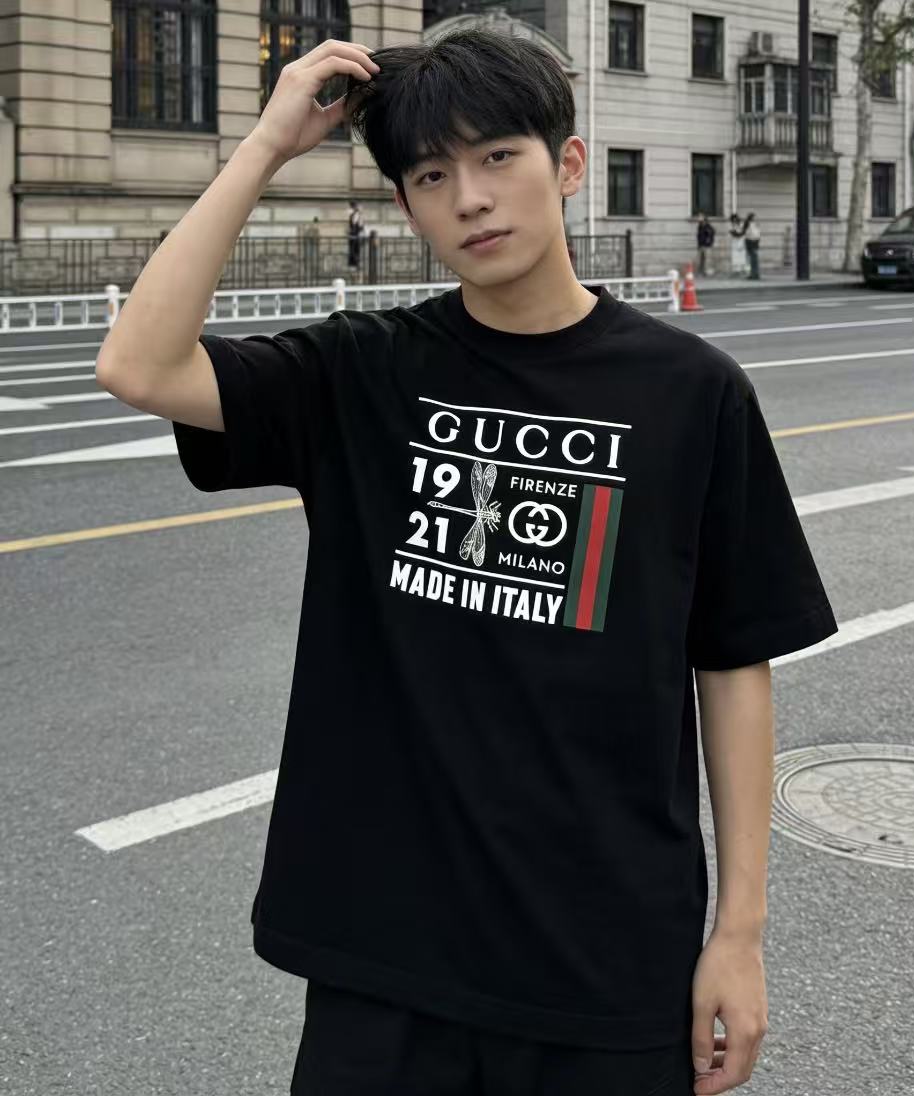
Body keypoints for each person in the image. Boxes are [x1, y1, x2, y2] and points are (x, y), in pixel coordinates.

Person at [95, 27, 838, 1096]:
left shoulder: (691, 392)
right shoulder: (363, 373)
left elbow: (731, 662)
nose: (471, 199)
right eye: (432, 176)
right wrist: (264, 145)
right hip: (386, 956)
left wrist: (740, 933)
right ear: (407, 208)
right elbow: (139, 363)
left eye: (498, 156)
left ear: (567, 164)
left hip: (608, 958)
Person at [728, 212, 747, 277]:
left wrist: (740, 233)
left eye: (735, 219)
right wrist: (739, 233)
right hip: (735, 243)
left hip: (742, 242)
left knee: (742, 256)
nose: (735, 221)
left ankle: (743, 269)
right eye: (733, 220)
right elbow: (734, 233)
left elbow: (744, 232)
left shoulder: (741, 224)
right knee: (735, 256)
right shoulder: (731, 226)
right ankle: (736, 270)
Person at [743, 212, 761, 280]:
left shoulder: (755, 224)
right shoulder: (749, 224)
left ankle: (755, 274)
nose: (756, 218)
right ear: (751, 218)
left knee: (754, 260)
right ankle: (752, 274)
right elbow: (749, 234)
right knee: (752, 260)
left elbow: (758, 234)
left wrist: (757, 241)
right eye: (754, 217)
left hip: (754, 242)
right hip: (751, 242)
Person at [347, 199, 363, 268]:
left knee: (355, 249)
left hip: (355, 234)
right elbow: (355, 224)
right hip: (354, 234)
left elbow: (359, 225)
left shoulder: (355, 214)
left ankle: (355, 263)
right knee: (354, 249)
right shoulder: (354, 214)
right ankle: (355, 263)